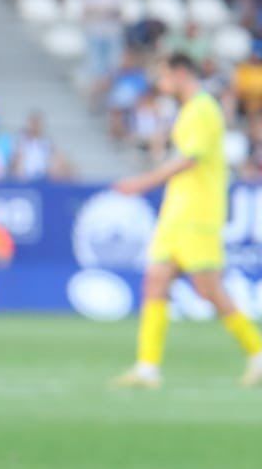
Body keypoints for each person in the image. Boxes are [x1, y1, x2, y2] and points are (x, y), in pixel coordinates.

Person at [112, 53, 262, 389]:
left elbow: (188, 161)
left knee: (210, 290)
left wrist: (143, 182)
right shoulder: (189, 110)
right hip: (177, 212)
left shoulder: (203, 108)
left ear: (180, 73)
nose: (160, 84)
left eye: (164, 76)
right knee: (155, 280)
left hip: (197, 214)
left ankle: (258, 352)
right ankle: (147, 368)